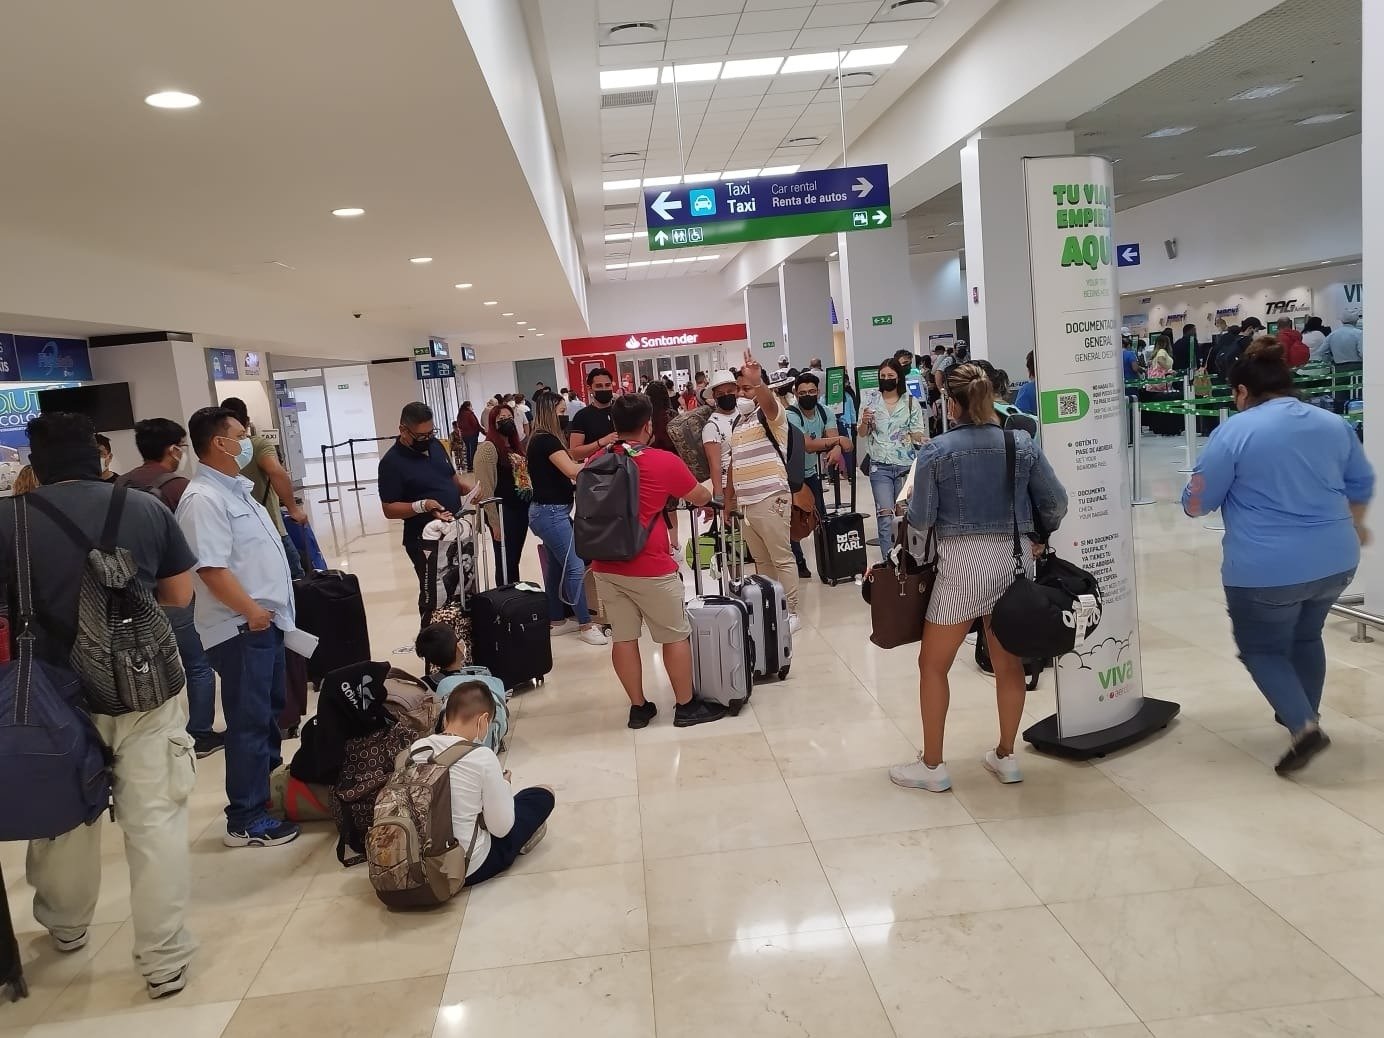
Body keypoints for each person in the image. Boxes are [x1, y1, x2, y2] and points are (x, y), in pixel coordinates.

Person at [2, 412, 199, 1000]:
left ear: (36, 463)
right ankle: (163, 960)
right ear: (98, 456)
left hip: (51, 695)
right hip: (144, 687)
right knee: (155, 821)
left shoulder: (8, 520)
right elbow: (179, 595)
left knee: (64, 816)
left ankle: (66, 926)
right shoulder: (144, 508)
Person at [1183, 339, 1374, 773]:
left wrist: (1190, 493)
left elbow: (1198, 501)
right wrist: (1356, 524)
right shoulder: (1334, 423)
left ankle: (1304, 727)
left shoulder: (1235, 431)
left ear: (1242, 391)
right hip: (1336, 559)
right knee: (1306, 636)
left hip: (1265, 569)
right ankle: (1304, 711)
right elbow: (1361, 483)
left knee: (1261, 649)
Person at [890, 365, 1069, 793]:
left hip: (962, 564)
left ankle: (933, 765)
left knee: (933, 665)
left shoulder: (936, 451)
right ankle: (1006, 756)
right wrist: (1037, 536)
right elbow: (1057, 502)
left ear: (952, 405)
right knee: (1008, 663)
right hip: (1013, 559)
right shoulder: (1020, 442)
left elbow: (922, 518)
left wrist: (907, 507)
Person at [176, 407, 301, 849]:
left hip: (262, 625)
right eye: (240, 435)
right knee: (248, 722)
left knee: (267, 714)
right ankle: (245, 818)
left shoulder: (237, 491)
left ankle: (265, 797)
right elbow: (210, 569)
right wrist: (251, 612)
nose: (246, 441)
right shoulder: (203, 500)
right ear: (219, 443)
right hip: (241, 629)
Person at [589, 394, 726, 729]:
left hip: (605, 563)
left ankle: (638, 708)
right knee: (673, 635)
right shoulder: (661, 461)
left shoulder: (597, 458)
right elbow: (699, 495)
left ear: (614, 424)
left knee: (623, 638)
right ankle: (686, 706)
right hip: (649, 565)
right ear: (648, 425)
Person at [122, 418, 222, 758]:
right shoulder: (178, 487)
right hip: (173, 590)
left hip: (130, 592)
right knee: (197, 664)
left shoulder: (121, 484)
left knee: (147, 664)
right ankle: (200, 733)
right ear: (172, 450)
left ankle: (152, 736)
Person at [409, 681, 554, 885]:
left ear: (446, 717)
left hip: (413, 866)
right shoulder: (481, 756)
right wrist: (504, 785)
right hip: (465, 868)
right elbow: (501, 829)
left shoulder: (417, 749)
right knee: (542, 795)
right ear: (483, 720)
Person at [726, 355, 803, 631]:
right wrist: (729, 500)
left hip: (771, 497)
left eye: (746, 389)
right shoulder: (738, 423)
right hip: (746, 504)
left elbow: (769, 404)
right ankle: (770, 608)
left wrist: (757, 382)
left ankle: (791, 612)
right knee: (761, 561)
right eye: (738, 389)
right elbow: (734, 463)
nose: (740, 394)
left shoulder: (772, 414)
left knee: (782, 557)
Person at [525, 392, 607, 646]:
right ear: (549, 412)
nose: (565, 416)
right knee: (574, 566)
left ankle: (557, 619)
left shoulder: (539, 439)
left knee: (556, 567)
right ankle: (585, 624)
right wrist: (599, 459)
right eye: (561, 412)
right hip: (551, 514)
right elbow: (572, 471)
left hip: (547, 512)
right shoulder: (546, 441)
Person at [377, 402, 473, 617]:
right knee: (435, 594)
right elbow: (389, 508)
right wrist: (422, 505)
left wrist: (467, 489)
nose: (427, 439)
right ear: (403, 430)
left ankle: (462, 632)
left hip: (455, 532)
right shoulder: (392, 463)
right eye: (421, 436)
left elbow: (451, 479)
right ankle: (432, 634)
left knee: (463, 588)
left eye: (431, 433)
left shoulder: (436, 445)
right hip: (425, 540)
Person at [220, 397, 309, 581]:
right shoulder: (258, 445)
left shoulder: (220, 453)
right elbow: (277, 473)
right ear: (246, 422)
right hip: (270, 527)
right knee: (296, 579)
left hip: (239, 536)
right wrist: (293, 509)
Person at [859, 357, 927, 559]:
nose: (886, 379)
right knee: (885, 516)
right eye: (882, 376)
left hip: (905, 466)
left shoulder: (910, 401)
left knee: (904, 516)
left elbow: (916, 431)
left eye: (890, 375)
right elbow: (862, 433)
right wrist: (864, 422)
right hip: (879, 466)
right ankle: (888, 561)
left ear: (899, 378)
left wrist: (923, 439)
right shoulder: (870, 399)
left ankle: (906, 560)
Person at [786, 371, 848, 578]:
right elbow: (809, 445)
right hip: (789, 475)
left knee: (819, 516)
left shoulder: (824, 411)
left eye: (812, 391)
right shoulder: (791, 415)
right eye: (803, 393)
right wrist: (839, 442)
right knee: (793, 519)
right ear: (796, 394)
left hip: (811, 472)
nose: (808, 396)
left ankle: (826, 561)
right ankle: (799, 561)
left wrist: (836, 446)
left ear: (818, 391)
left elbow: (833, 437)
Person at [473, 402, 529, 583]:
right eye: (502, 418)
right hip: (503, 512)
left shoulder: (514, 447)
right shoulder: (488, 448)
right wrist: (494, 522)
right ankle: (505, 595)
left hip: (520, 510)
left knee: (514, 559)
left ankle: (515, 593)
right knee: (505, 561)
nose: (507, 421)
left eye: (510, 418)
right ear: (493, 423)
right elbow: (485, 487)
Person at [568, 367, 619, 461]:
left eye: (607, 385)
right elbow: (575, 453)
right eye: (599, 386)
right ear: (590, 388)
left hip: (625, 465)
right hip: (597, 467)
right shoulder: (582, 416)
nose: (604, 389)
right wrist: (601, 442)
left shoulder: (622, 411)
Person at [1324, 307, 1364, 413]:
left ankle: (1340, 415)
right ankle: (1357, 417)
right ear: (1356, 320)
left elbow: (1322, 352)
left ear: (1342, 320)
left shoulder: (1333, 334)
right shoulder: (1359, 333)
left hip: (1338, 368)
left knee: (1340, 395)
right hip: (1357, 368)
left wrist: (1330, 360)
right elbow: (1362, 353)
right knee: (1358, 396)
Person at [453, 401, 482, 472]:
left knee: (468, 450)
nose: (472, 408)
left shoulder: (460, 414)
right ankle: (474, 466)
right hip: (472, 434)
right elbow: (475, 424)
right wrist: (482, 431)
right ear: (468, 406)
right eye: (471, 406)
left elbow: (459, 425)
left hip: (464, 435)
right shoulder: (469, 414)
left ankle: (469, 467)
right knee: (473, 451)